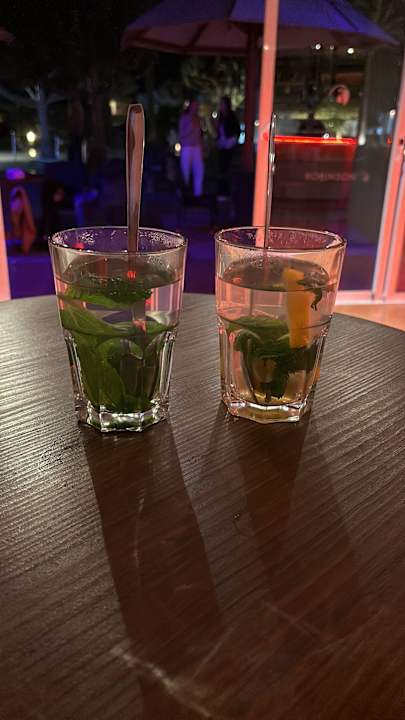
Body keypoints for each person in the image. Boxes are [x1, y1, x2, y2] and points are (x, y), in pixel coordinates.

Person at [215, 96, 240, 197]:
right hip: (221, 145)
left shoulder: (232, 117)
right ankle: (221, 192)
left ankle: (226, 192)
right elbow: (218, 132)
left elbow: (236, 131)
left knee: (226, 169)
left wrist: (231, 142)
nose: (221, 106)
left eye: (222, 104)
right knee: (221, 168)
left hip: (229, 146)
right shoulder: (220, 117)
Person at [178, 100, 204, 197]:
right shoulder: (184, 119)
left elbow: (199, 135)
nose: (196, 108)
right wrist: (190, 127)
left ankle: (198, 194)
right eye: (194, 106)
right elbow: (181, 134)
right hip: (187, 148)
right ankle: (185, 194)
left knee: (199, 171)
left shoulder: (198, 119)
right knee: (185, 171)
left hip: (197, 148)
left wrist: (202, 146)